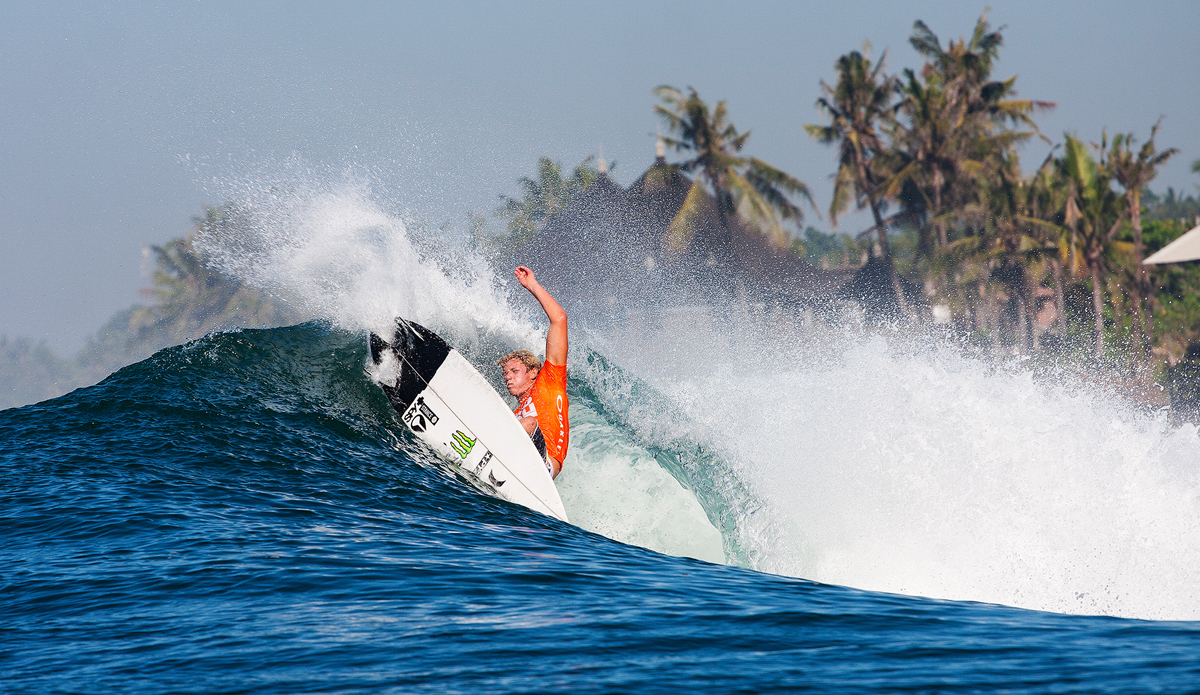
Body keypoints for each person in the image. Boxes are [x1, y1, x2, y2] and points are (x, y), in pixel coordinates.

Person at [497, 266, 569, 478]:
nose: (508, 376)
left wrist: (532, 285)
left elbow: (560, 320)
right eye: (505, 373)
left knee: (528, 424)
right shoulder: (516, 413)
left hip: (545, 465)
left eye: (514, 370)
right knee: (520, 422)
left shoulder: (549, 380)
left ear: (533, 372)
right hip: (519, 463)